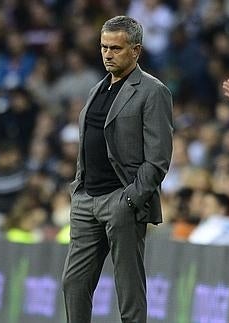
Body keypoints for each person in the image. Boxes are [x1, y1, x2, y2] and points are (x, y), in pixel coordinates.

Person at [61, 16, 173, 323]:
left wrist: (131, 200)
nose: (108, 54)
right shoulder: (97, 88)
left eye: (116, 48)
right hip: (86, 200)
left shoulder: (152, 91)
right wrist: (78, 187)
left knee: (129, 292)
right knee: (73, 282)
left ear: (136, 50)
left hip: (120, 200)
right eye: (103, 47)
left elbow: (159, 157)